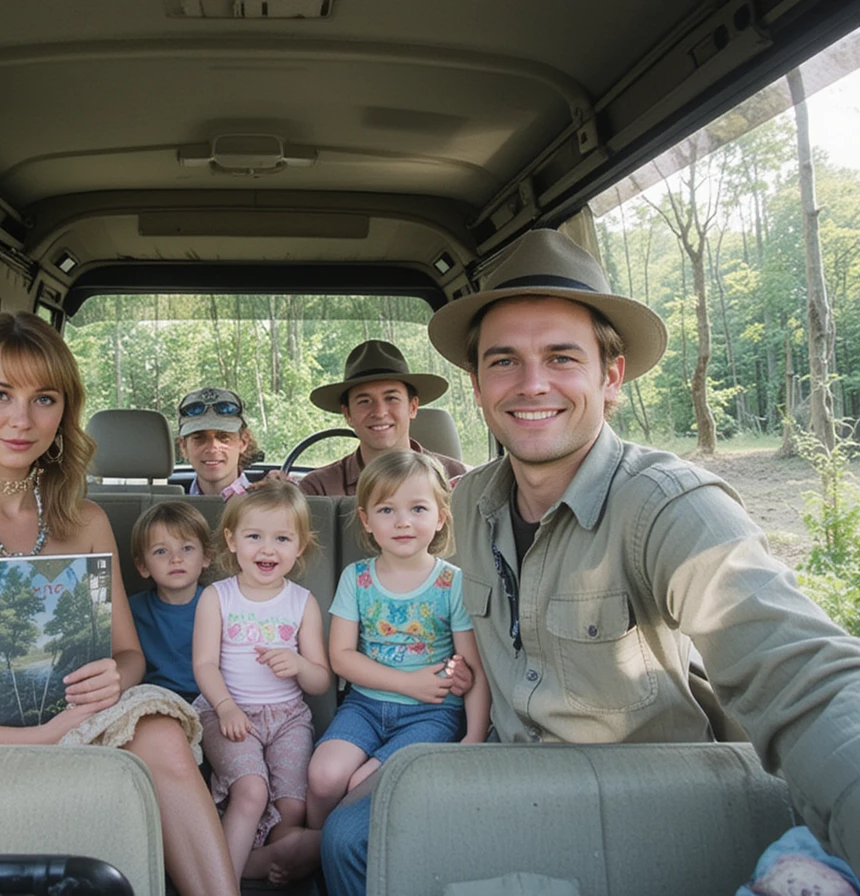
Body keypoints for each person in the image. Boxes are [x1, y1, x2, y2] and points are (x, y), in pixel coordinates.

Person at [320, 227, 860, 895]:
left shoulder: (670, 505)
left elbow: (805, 677)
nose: (532, 384)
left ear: (611, 376)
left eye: (561, 357)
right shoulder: (468, 500)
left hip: (634, 800)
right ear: (478, 383)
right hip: (497, 769)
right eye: (505, 361)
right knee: (345, 839)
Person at [0, 311, 239, 896]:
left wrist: (112, 680)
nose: (21, 419)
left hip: (71, 722)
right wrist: (32, 741)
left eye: (44, 399)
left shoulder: (84, 520)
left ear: (64, 412)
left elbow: (129, 655)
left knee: (157, 727)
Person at [306, 450, 490, 830]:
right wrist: (408, 683)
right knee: (324, 776)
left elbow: (472, 669)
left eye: (418, 509)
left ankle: (328, 851)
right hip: (365, 706)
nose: (403, 522)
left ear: (441, 517)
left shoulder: (451, 583)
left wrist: (473, 735)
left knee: (362, 784)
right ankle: (313, 846)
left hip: (433, 713)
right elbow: (340, 657)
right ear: (366, 520)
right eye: (387, 510)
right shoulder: (357, 579)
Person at [191, 480, 332, 884]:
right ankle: (223, 884)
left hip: (288, 718)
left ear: (300, 546)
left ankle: (261, 859)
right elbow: (204, 665)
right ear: (232, 541)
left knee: (291, 810)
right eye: (254, 537)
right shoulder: (218, 597)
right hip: (227, 712)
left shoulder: (302, 602)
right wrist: (226, 707)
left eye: (282, 538)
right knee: (251, 793)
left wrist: (299, 665)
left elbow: (320, 680)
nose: (267, 549)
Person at [298, 340, 467, 496]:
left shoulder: (455, 479)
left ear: (412, 407)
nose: (379, 412)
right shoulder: (319, 489)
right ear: (348, 414)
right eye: (364, 401)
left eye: (391, 398)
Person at [128, 500, 212, 702]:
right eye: (161, 551)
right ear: (143, 567)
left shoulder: (221, 605)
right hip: (154, 701)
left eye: (187, 548)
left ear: (206, 558)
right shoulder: (131, 610)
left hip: (212, 698)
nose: (175, 558)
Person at [177, 386, 260, 499]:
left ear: (243, 442)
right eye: (199, 438)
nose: (212, 448)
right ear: (183, 447)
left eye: (223, 437)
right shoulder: (168, 510)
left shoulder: (270, 503)